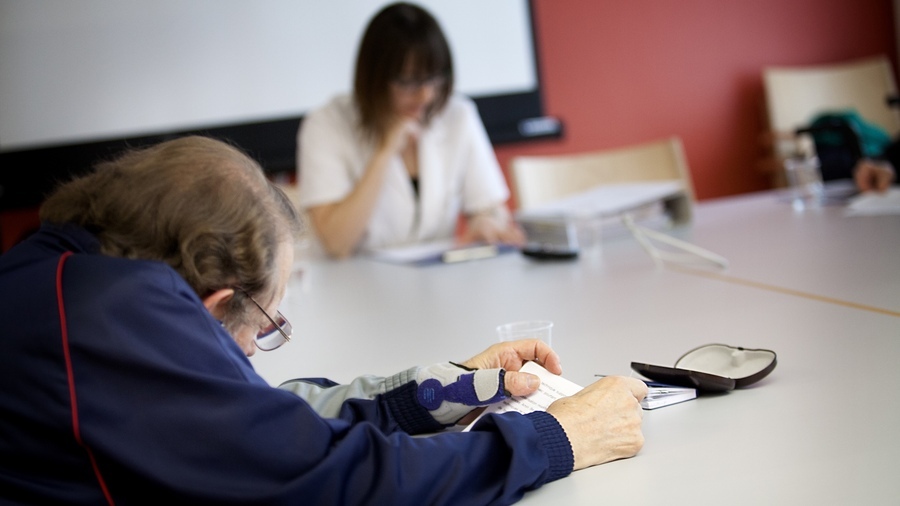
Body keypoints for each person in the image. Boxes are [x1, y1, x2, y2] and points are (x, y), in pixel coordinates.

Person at [0, 135, 647, 504]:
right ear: (215, 303)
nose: (252, 354)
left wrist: (435, 392)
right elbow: (333, 481)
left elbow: (254, 421)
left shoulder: (57, 275)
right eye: (265, 324)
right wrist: (555, 438)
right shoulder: (111, 319)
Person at [297, 2, 525, 258]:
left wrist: (487, 221)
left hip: (437, 275)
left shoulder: (457, 115)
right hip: (353, 279)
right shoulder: (326, 124)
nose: (426, 95)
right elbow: (336, 243)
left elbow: (490, 207)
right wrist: (385, 151)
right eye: (409, 82)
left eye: (434, 78)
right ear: (374, 78)